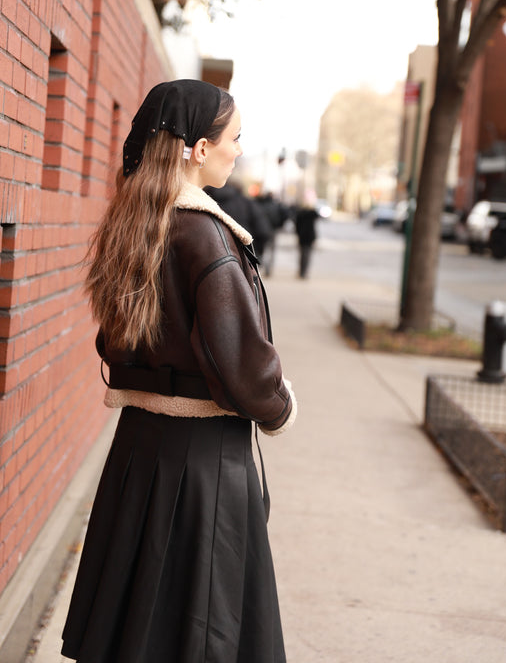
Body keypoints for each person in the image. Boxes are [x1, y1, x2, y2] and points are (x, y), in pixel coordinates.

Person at [61, 79, 296, 663]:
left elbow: (113, 342)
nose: (237, 150)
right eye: (233, 138)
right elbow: (242, 365)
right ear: (196, 147)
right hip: (204, 463)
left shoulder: (135, 221)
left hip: (139, 450)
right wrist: (280, 405)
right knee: (201, 632)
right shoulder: (205, 234)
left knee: (136, 630)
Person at [294, 203, 320, 278]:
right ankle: (304, 272)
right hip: (309, 236)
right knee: (307, 255)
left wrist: (298, 234)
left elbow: (296, 226)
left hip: (302, 236)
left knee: (302, 255)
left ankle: (301, 271)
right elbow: (317, 215)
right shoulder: (312, 214)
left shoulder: (300, 214)